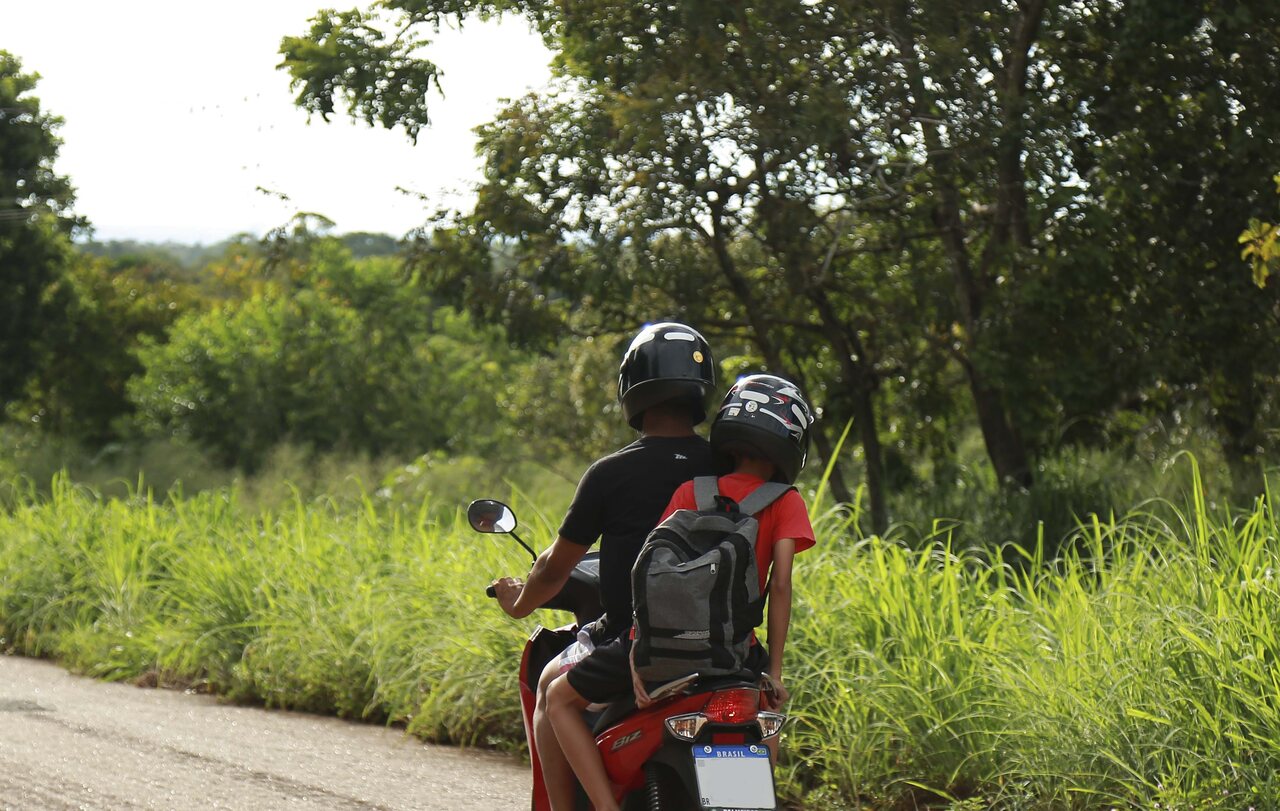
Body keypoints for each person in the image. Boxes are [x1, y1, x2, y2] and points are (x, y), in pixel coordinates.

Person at [546, 373, 817, 811]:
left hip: (663, 652)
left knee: (558, 699)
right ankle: (755, 802)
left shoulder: (692, 490)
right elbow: (781, 586)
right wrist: (775, 672)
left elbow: (648, 574)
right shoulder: (786, 502)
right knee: (766, 724)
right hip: (735, 654)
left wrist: (637, 653)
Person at [490, 322, 719, 811]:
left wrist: (520, 603)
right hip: (729, 647)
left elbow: (554, 567)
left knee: (553, 688)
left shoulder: (611, 473)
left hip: (636, 641)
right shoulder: (729, 468)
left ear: (631, 390)